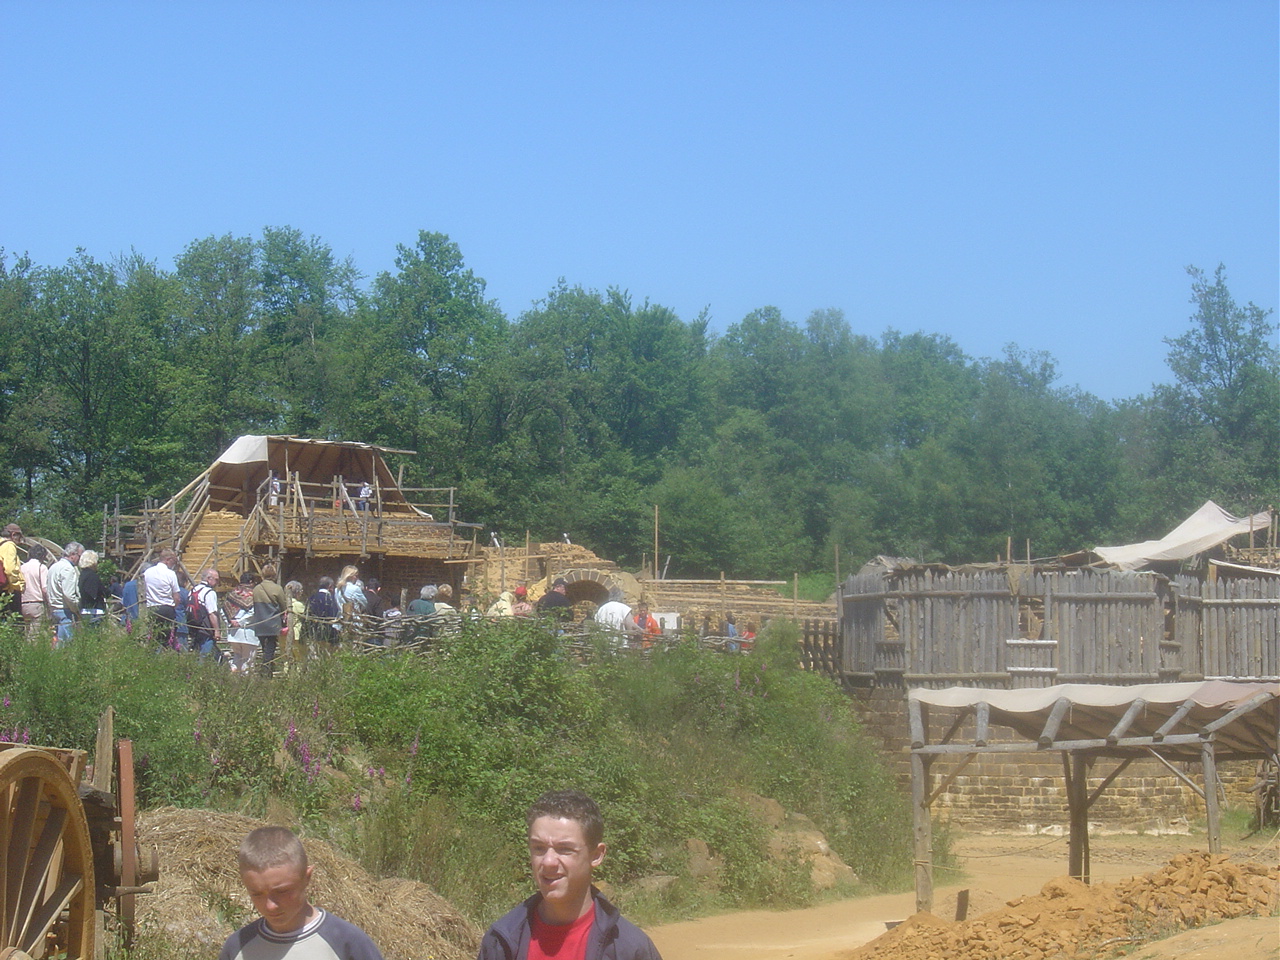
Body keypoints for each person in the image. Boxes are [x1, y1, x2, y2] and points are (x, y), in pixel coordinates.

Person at [477, 789, 662, 960]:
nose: (548, 862)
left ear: (596, 855)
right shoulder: (501, 942)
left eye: (564, 849)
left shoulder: (629, 949)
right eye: (539, 848)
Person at [219, 825, 384, 960]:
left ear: (307, 878)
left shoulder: (346, 942)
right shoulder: (237, 947)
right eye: (257, 894)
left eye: (282, 891)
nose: (270, 906)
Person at [252, 564, 288, 675]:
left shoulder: (256, 589)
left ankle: (267, 671)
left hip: (259, 623)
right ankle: (266, 670)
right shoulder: (277, 588)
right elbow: (284, 607)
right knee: (270, 649)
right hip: (273, 623)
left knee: (265, 648)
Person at [142, 549, 181, 649]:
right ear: (168, 560)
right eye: (173, 561)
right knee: (168, 638)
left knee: (153, 636)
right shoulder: (170, 574)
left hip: (152, 608)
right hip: (166, 608)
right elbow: (176, 597)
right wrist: (174, 606)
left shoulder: (148, 572)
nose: (174, 564)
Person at [47, 542, 84, 646]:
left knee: (58, 641)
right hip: (65, 610)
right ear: (72, 554)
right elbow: (68, 594)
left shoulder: (53, 567)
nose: (80, 559)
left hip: (54, 608)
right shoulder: (68, 569)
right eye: (79, 556)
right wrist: (76, 608)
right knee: (67, 643)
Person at [224, 573, 259, 674]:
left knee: (237, 657)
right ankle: (245, 683)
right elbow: (253, 613)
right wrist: (240, 622)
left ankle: (234, 675)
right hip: (248, 633)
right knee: (248, 660)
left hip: (233, 633)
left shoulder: (233, 594)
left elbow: (224, 610)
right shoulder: (253, 595)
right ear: (251, 582)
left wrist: (230, 622)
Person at [189, 568, 223, 660]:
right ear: (209, 578)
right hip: (206, 629)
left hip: (194, 626)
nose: (217, 582)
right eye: (216, 579)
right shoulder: (209, 592)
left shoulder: (193, 590)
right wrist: (216, 630)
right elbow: (212, 613)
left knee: (196, 654)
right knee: (205, 656)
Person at [19, 543, 49, 639]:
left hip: (23, 603)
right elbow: (45, 589)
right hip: (37, 603)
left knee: (27, 632)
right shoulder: (42, 568)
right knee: (35, 635)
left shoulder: (22, 567)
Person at [306, 576, 342, 651]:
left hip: (314, 632)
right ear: (330, 586)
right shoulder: (330, 598)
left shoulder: (311, 597)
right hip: (328, 633)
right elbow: (334, 614)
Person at [77, 550, 109, 627]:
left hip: (84, 609)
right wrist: (107, 592)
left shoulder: (82, 575)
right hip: (95, 611)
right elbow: (97, 592)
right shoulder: (93, 576)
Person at [0, 523, 25, 619]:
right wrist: (17, 586)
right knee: (16, 623)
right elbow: (10, 569)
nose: (20, 539)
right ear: (13, 534)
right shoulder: (9, 545)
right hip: (8, 591)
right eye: (19, 536)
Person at [283, 580, 306, 664]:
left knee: (286, 658)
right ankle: (298, 675)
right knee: (299, 657)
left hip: (283, 634)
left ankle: (286, 674)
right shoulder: (299, 605)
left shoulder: (283, 604)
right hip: (296, 634)